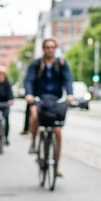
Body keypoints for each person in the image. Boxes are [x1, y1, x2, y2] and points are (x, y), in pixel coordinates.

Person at [23, 38, 74, 170]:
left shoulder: (61, 64)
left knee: (57, 131)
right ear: (43, 49)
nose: (50, 50)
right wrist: (29, 94)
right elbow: (29, 80)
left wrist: (70, 94)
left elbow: (68, 79)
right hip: (39, 98)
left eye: (52, 47)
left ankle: (56, 164)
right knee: (34, 115)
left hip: (55, 100)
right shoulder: (36, 64)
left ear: (55, 48)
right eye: (47, 47)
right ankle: (34, 142)